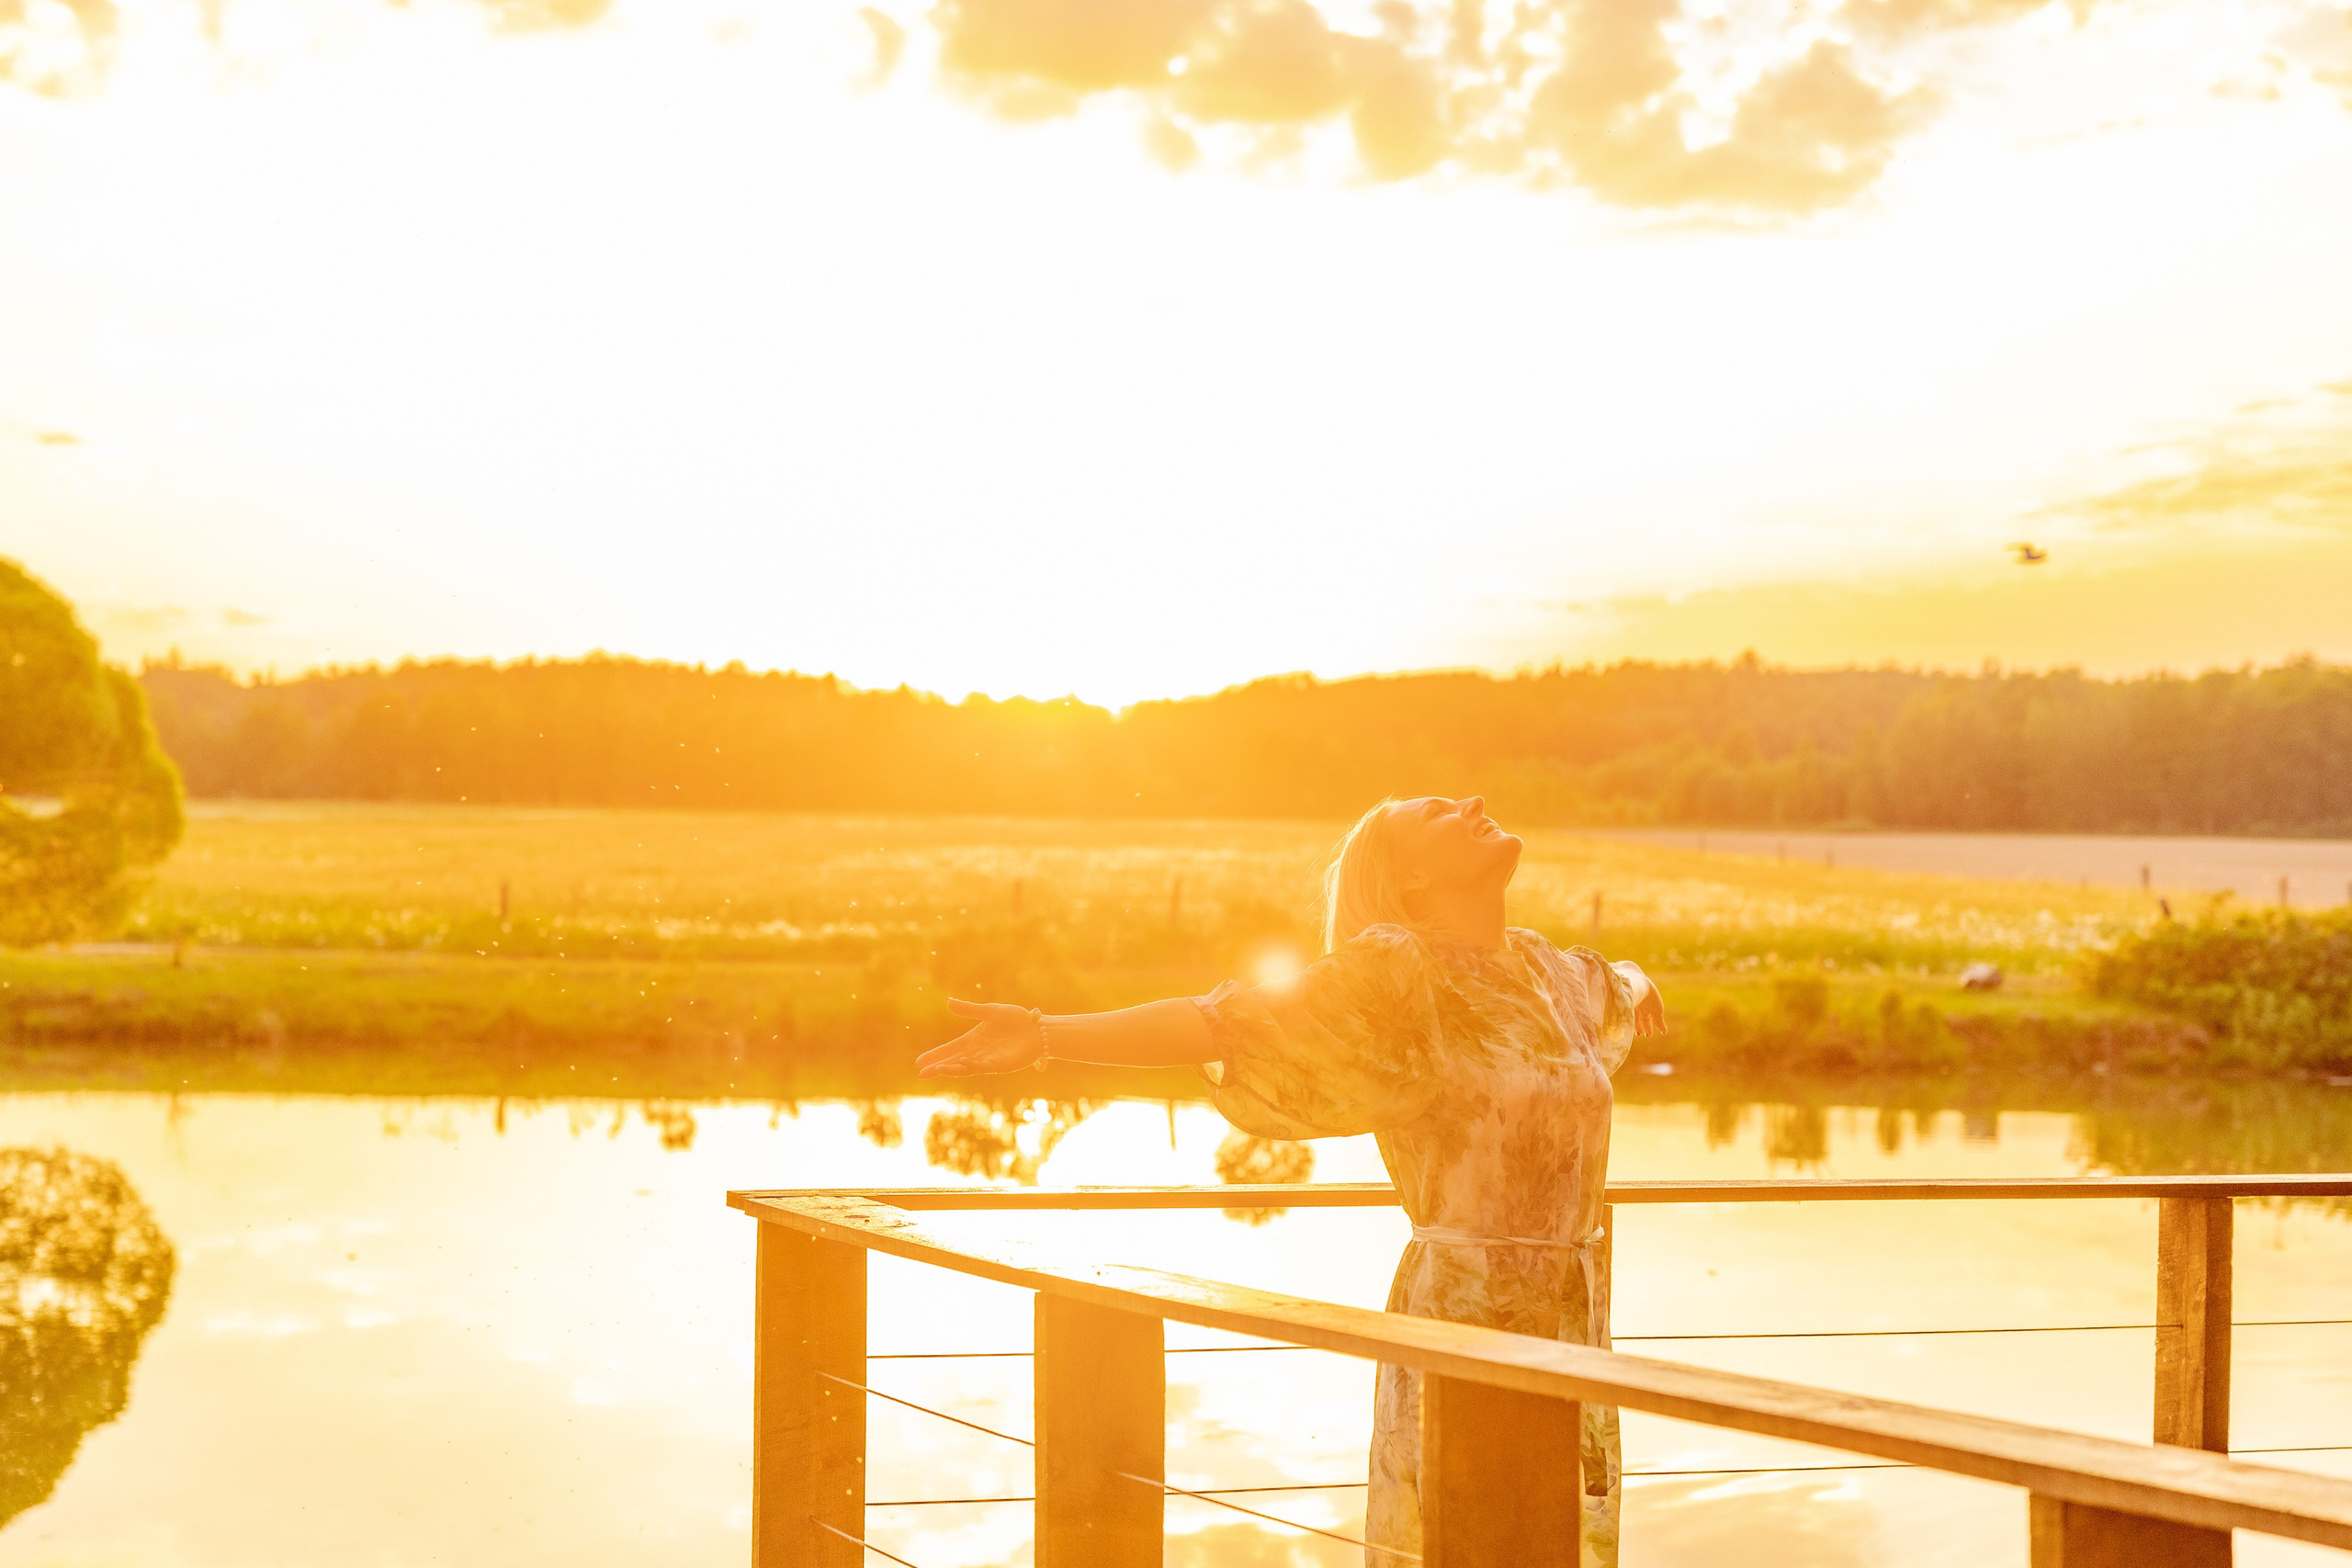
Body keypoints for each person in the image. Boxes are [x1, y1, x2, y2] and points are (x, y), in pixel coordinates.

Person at [916, 795, 1668, 1567]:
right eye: (1440, 813)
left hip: (1572, 1327)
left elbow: (1617, 983)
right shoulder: (1399, 973)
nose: (1474, 802)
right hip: (1463, 1319)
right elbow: (1223, 1021)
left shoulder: (1553, 973)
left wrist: (1643, 982)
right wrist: (1045, 1034)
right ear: (1410, 877)